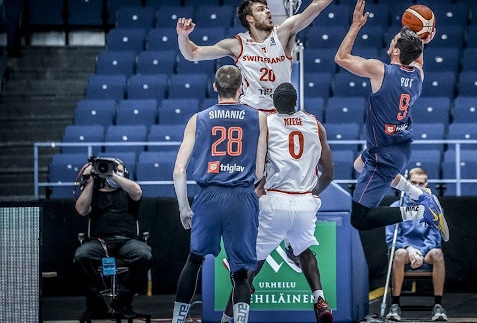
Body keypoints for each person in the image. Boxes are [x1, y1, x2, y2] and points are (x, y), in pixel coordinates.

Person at [176, 0, 371, 112]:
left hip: (278, 114)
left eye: (267, 8)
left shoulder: (283, 34)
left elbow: (317, 5)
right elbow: (192, 54)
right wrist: (183, 36)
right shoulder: (236, 45)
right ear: (249, 19)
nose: (268, 11)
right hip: (250, 113)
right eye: (261, 9)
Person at [335, 0, 449, 240]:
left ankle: (420, 210)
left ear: (397, 50)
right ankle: (419, 194)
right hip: (399, 145)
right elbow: (415, 52)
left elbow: (341, 58)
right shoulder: (418, 74)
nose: (392, 40)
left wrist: (356, 24)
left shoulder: (380, 71)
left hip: (383, 154)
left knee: (360, 219)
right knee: (358, 165)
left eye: (395, 41)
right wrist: (423, 38)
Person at [221, 82, 335, 323]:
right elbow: (328, 174)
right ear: (296, 101)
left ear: (274, 103)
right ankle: (320, 299)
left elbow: (257, 168)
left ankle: (228, 319)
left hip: (276, 198)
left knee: (252, 265)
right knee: (304, 250)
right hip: (304, 202)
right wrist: (313, 193)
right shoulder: (316, 124)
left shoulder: (267, 123)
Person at [171, 65, 268, 323]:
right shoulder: (258, 118)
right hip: (242, 196)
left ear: (215, 87)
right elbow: (259, 169)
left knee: (194, 261)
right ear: (241, 88)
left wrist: (184, 208)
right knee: (241, 271)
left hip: (207, 196)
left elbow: (179, 170)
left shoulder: (198, 119)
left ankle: (177, 320)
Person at [73, 157, 152, 320]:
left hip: (127, 241)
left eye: (119, 170)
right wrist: (92, 181)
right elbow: (81, 209)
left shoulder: (128, 191)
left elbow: (137, 191)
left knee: (145, 255)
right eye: (110, 169)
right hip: (100, 242)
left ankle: (123, 299)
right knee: (81, 256)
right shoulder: (93, 191)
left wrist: (112, 175)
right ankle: (96, 303)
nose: (114, 172)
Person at [384, 168, 447, 322]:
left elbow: (435, 237)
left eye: (421, 183)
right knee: (398, 254)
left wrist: (420, 252)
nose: (417, 186)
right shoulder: (395, 207)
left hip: (426, 251)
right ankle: (395, 305)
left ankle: (438, 306)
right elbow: (392, 237)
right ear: (407, 183)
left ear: (426, 184)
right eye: (413, 183)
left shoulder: (433, 208)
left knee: (438, 253)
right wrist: (409, 249)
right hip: (405, 251)